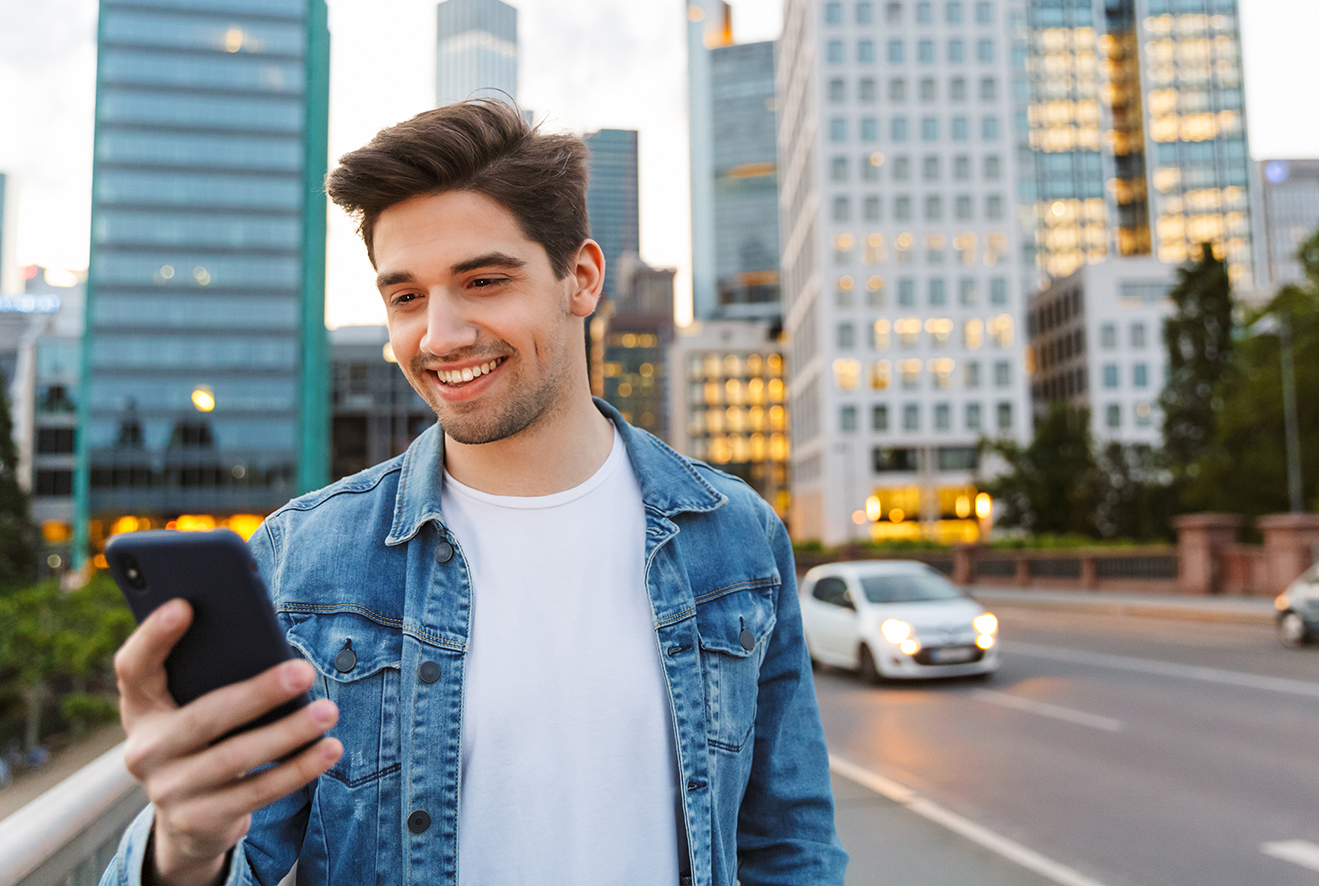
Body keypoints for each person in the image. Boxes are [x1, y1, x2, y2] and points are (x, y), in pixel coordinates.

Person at [102, 100, 847, 886]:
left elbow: (789, 844)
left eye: (483, 281)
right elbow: (235, 848)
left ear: (581, 278)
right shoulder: (308, 557)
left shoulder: (734, 534)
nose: (441, 335)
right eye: (407, 297)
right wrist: (183, 848)